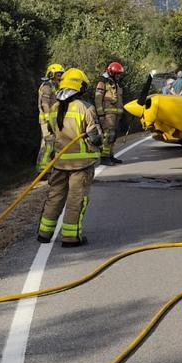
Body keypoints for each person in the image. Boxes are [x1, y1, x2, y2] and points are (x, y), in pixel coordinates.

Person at [38, 68, 103, 247]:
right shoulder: (85, 107)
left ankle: (44, 233)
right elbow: (95, 137)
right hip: (81, 165)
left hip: (59, 163)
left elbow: (52, 133)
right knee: (76, 200)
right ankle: (70, 237)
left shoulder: (54, 108)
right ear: (79, 87)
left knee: (55, 197)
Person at [95, 61, 125, 166]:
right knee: (107, 135)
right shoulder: (102, 83)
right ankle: (104, 157)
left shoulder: (117, 84)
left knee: (113, 136)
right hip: (107, 115)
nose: (118, 76)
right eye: (117, 74)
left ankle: (111, 155)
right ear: (111, 72)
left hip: (116, 115)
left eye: (119, 74)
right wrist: (101, 114)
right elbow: (98, 99)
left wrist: (121, 113)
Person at [36, 63, 64, 171]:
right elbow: (45, 104)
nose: (60, 77)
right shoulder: (47, 86)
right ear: (51, 74)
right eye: (58, 75)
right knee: (49, 144)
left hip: (52, 120)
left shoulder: (53, 86)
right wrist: (48, 120)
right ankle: (43, 170)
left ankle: (46, 168)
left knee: (48, 144)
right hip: (46, 120)